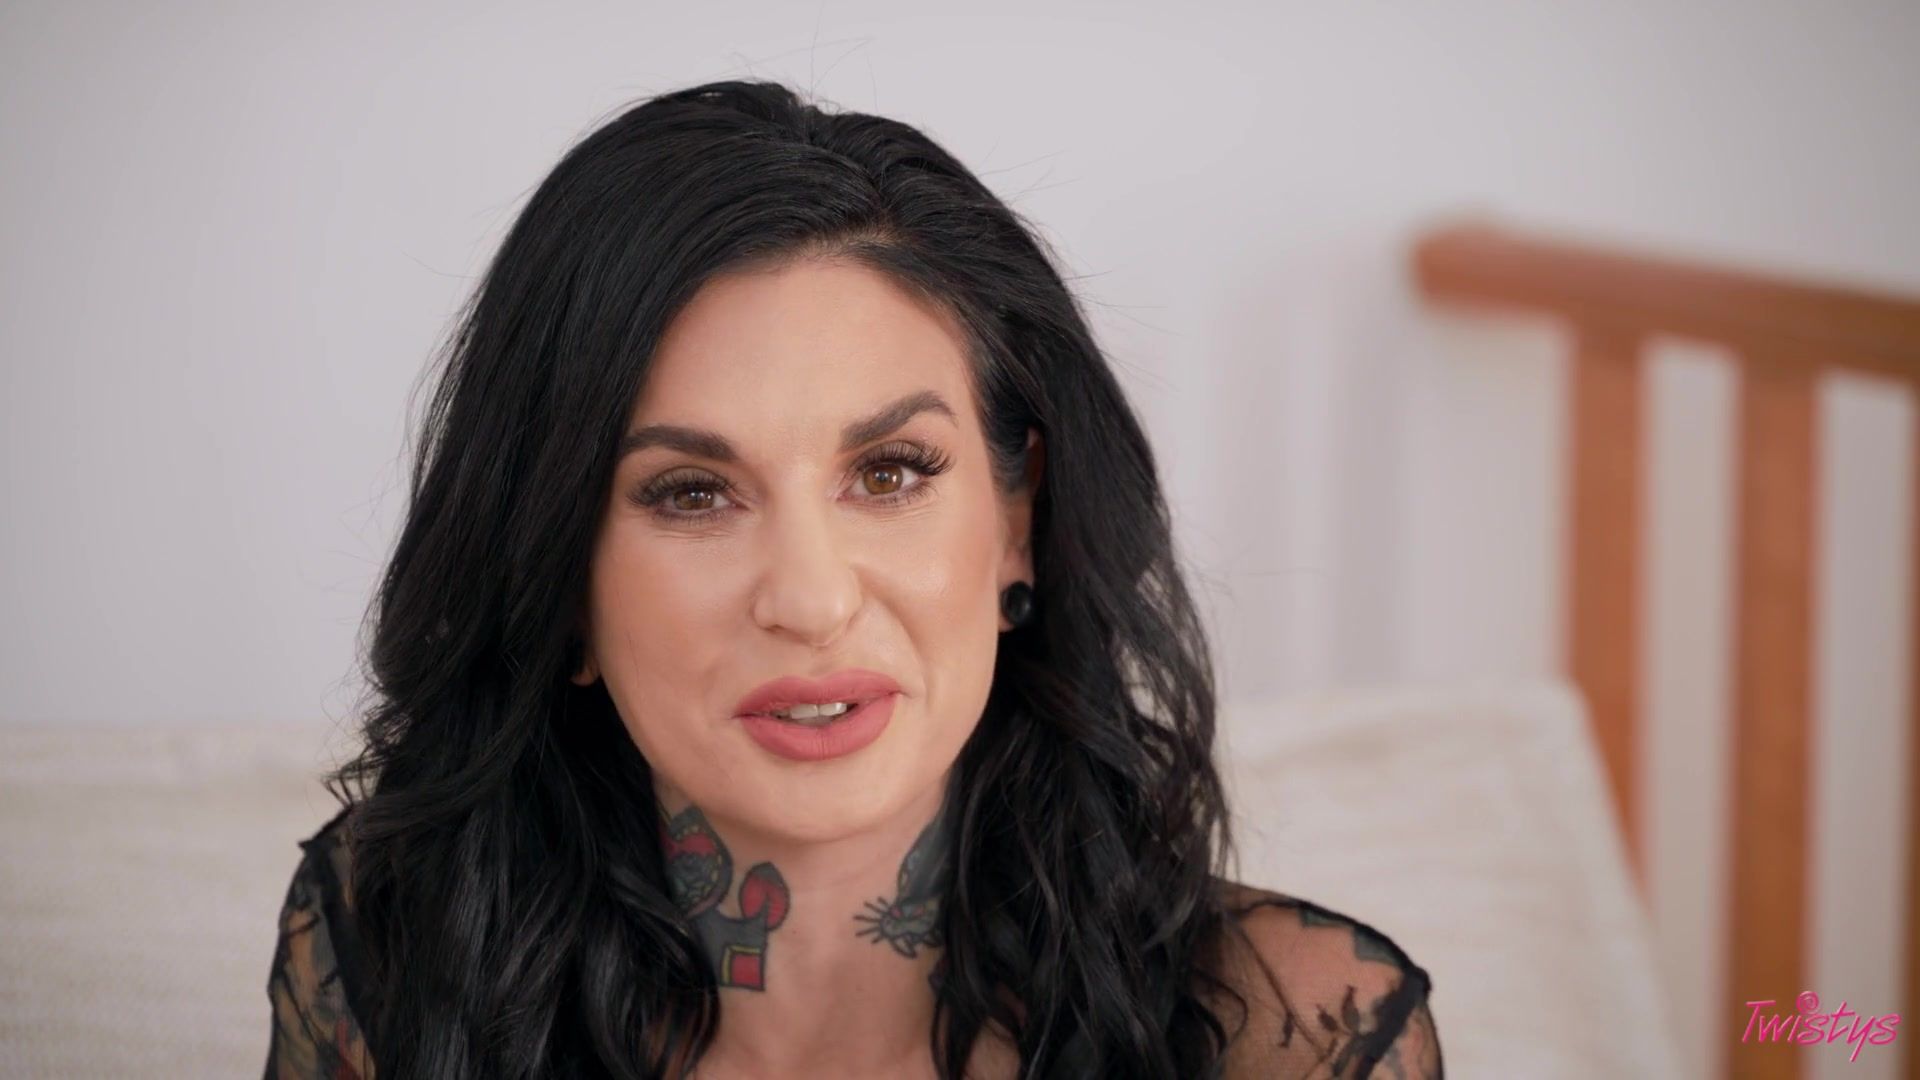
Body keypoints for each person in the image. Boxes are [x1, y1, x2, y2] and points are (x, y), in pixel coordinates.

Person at [262, 78, 1442, 1079]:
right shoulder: (395, 954)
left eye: (889, 473)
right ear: (558, 575)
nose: (813, 600)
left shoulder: (1295, 1036)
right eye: (691, 493)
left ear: (1018, 521)